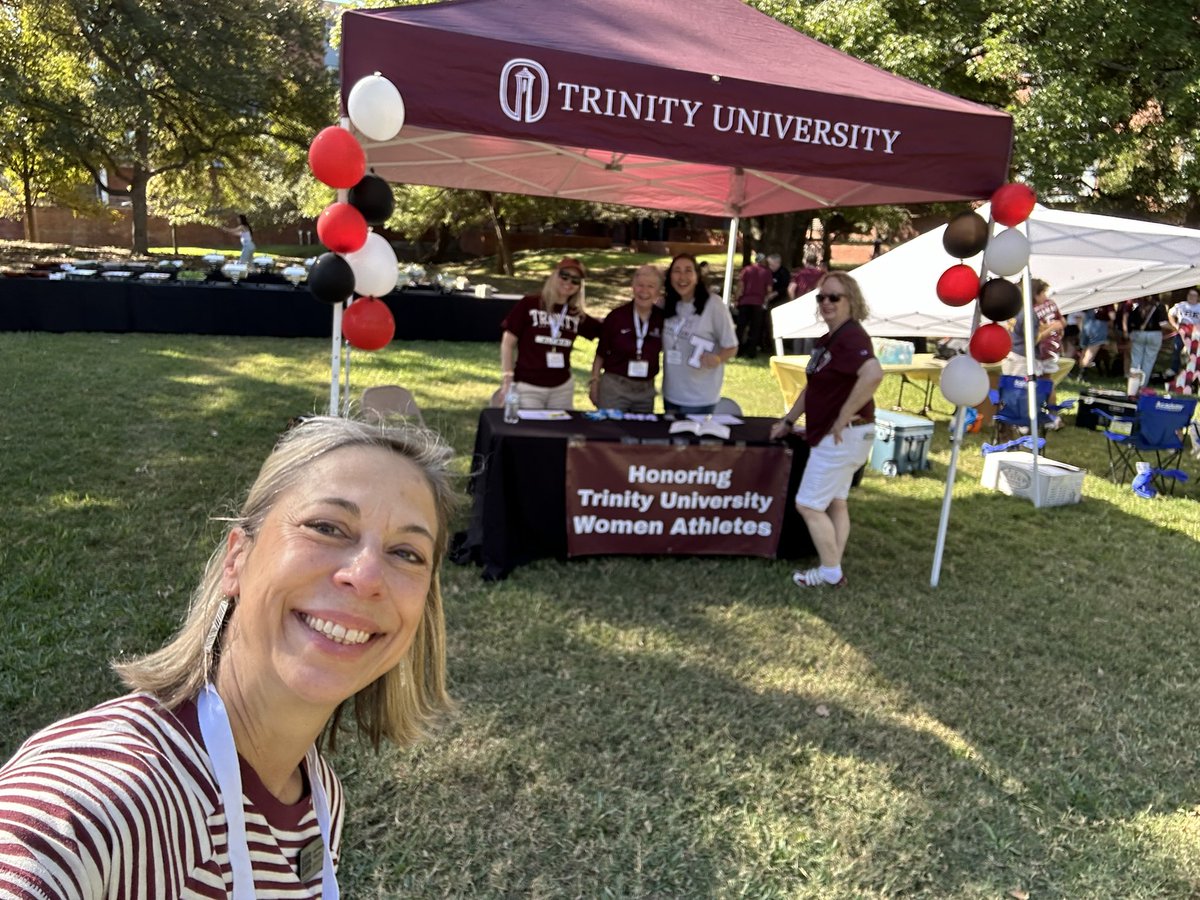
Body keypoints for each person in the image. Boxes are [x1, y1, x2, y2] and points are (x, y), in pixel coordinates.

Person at [0, 416, 458, 897]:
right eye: (327, 527)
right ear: (236, 559)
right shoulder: (100, 803)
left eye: (407, 553)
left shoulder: (320, 799)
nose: (366, 576)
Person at [769, 272, 882, 589]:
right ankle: (832, 560)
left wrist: (843, 413)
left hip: (842, 436)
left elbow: (873, 373)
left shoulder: (851, 338)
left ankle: (831, 571)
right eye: (821, 297)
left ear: (851, 301)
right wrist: (788, 420)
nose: (827, 303)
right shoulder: (830, 339)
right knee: (836, 501)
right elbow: (813, 388)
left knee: (808, 504)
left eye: (835, 297)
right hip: (847, 436)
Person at [499, 257, 601, 410]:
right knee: (533, 431)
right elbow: (508, 342)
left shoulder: (576, 314)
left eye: (575, 280)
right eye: (564, 276)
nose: (568, 283)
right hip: (528, 386)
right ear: (555, 275)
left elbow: (608, 330)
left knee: (560, 432)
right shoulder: (529, 304)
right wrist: (507, 377)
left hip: (562, 388)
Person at [660, 252, 738, 415]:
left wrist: (717, 358)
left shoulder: (714, 305)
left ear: (697, 276)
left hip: (700, 397)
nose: (682, 277)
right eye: (677, 271)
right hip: (670, 394)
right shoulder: (666, 304)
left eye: (688, 270)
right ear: (670, 276)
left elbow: (731, 346)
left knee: (691, 440)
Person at [589, 264, 665, 412]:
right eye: (640, 285)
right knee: (611, 433)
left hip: (645, 391)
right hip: (615, 387)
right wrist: (594, 382)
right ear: (633, 287)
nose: (644, 291)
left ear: (658, 292)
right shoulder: (616, 317)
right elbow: (600, 354)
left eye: (651, 286)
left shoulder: (662, 319)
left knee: (640, 433)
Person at [1001, 278, 1066, 426]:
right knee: (1025, 392)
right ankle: (1023, 423)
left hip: (1013, 354)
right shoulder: (1029, 314)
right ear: (1034, 295)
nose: (1045, 296)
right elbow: (1033, 340)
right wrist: (1051, 329)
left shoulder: (1015, 309)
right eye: (1043, 293)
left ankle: (1015, 422)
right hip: (1022, 358)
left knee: (1014, 391)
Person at [1122, 294, 1170, 392]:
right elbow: (1163, 323)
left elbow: (1129, 319)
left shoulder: (1137, 305)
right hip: (1154, 334)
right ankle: (1142, 387)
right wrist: (1175, 329)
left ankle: (1132, 389)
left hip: (1138, 333)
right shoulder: (1159, 305)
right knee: (1148, 362)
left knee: (1136, 362)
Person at [735, 253, 773, 359]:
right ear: (763, 261)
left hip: (745, 302)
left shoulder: (746, 270)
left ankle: (738, 351)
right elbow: (769, 289)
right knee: (755, 328)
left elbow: (740, 286)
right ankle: (751, 352)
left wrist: (736, 299)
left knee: (741, 328)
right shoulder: (767, 272)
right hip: (758, 303)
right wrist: (765, 300)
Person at [1167, 286, 1200, 394]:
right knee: (1177, 353)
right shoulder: (1181, 305)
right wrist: (1175, 325)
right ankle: (1174, 376)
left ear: (1198, 297)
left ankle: (1190, 382)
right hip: (1181, 334)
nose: (1192, 297)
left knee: (1193, 359)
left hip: (1195, 337)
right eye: (1190, 295)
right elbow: (1170, 314)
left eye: (1194, 295)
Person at [764, 252, 790, 354]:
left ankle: (779, 347)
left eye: (772, 264)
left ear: (778, 263)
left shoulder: (783, 273)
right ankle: (767, 346)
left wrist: (775, 293)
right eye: (769, 264)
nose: (770, 267)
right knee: (767, 324)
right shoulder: (768, 272)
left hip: (780, 302)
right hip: (768, 302)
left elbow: (785, 287)